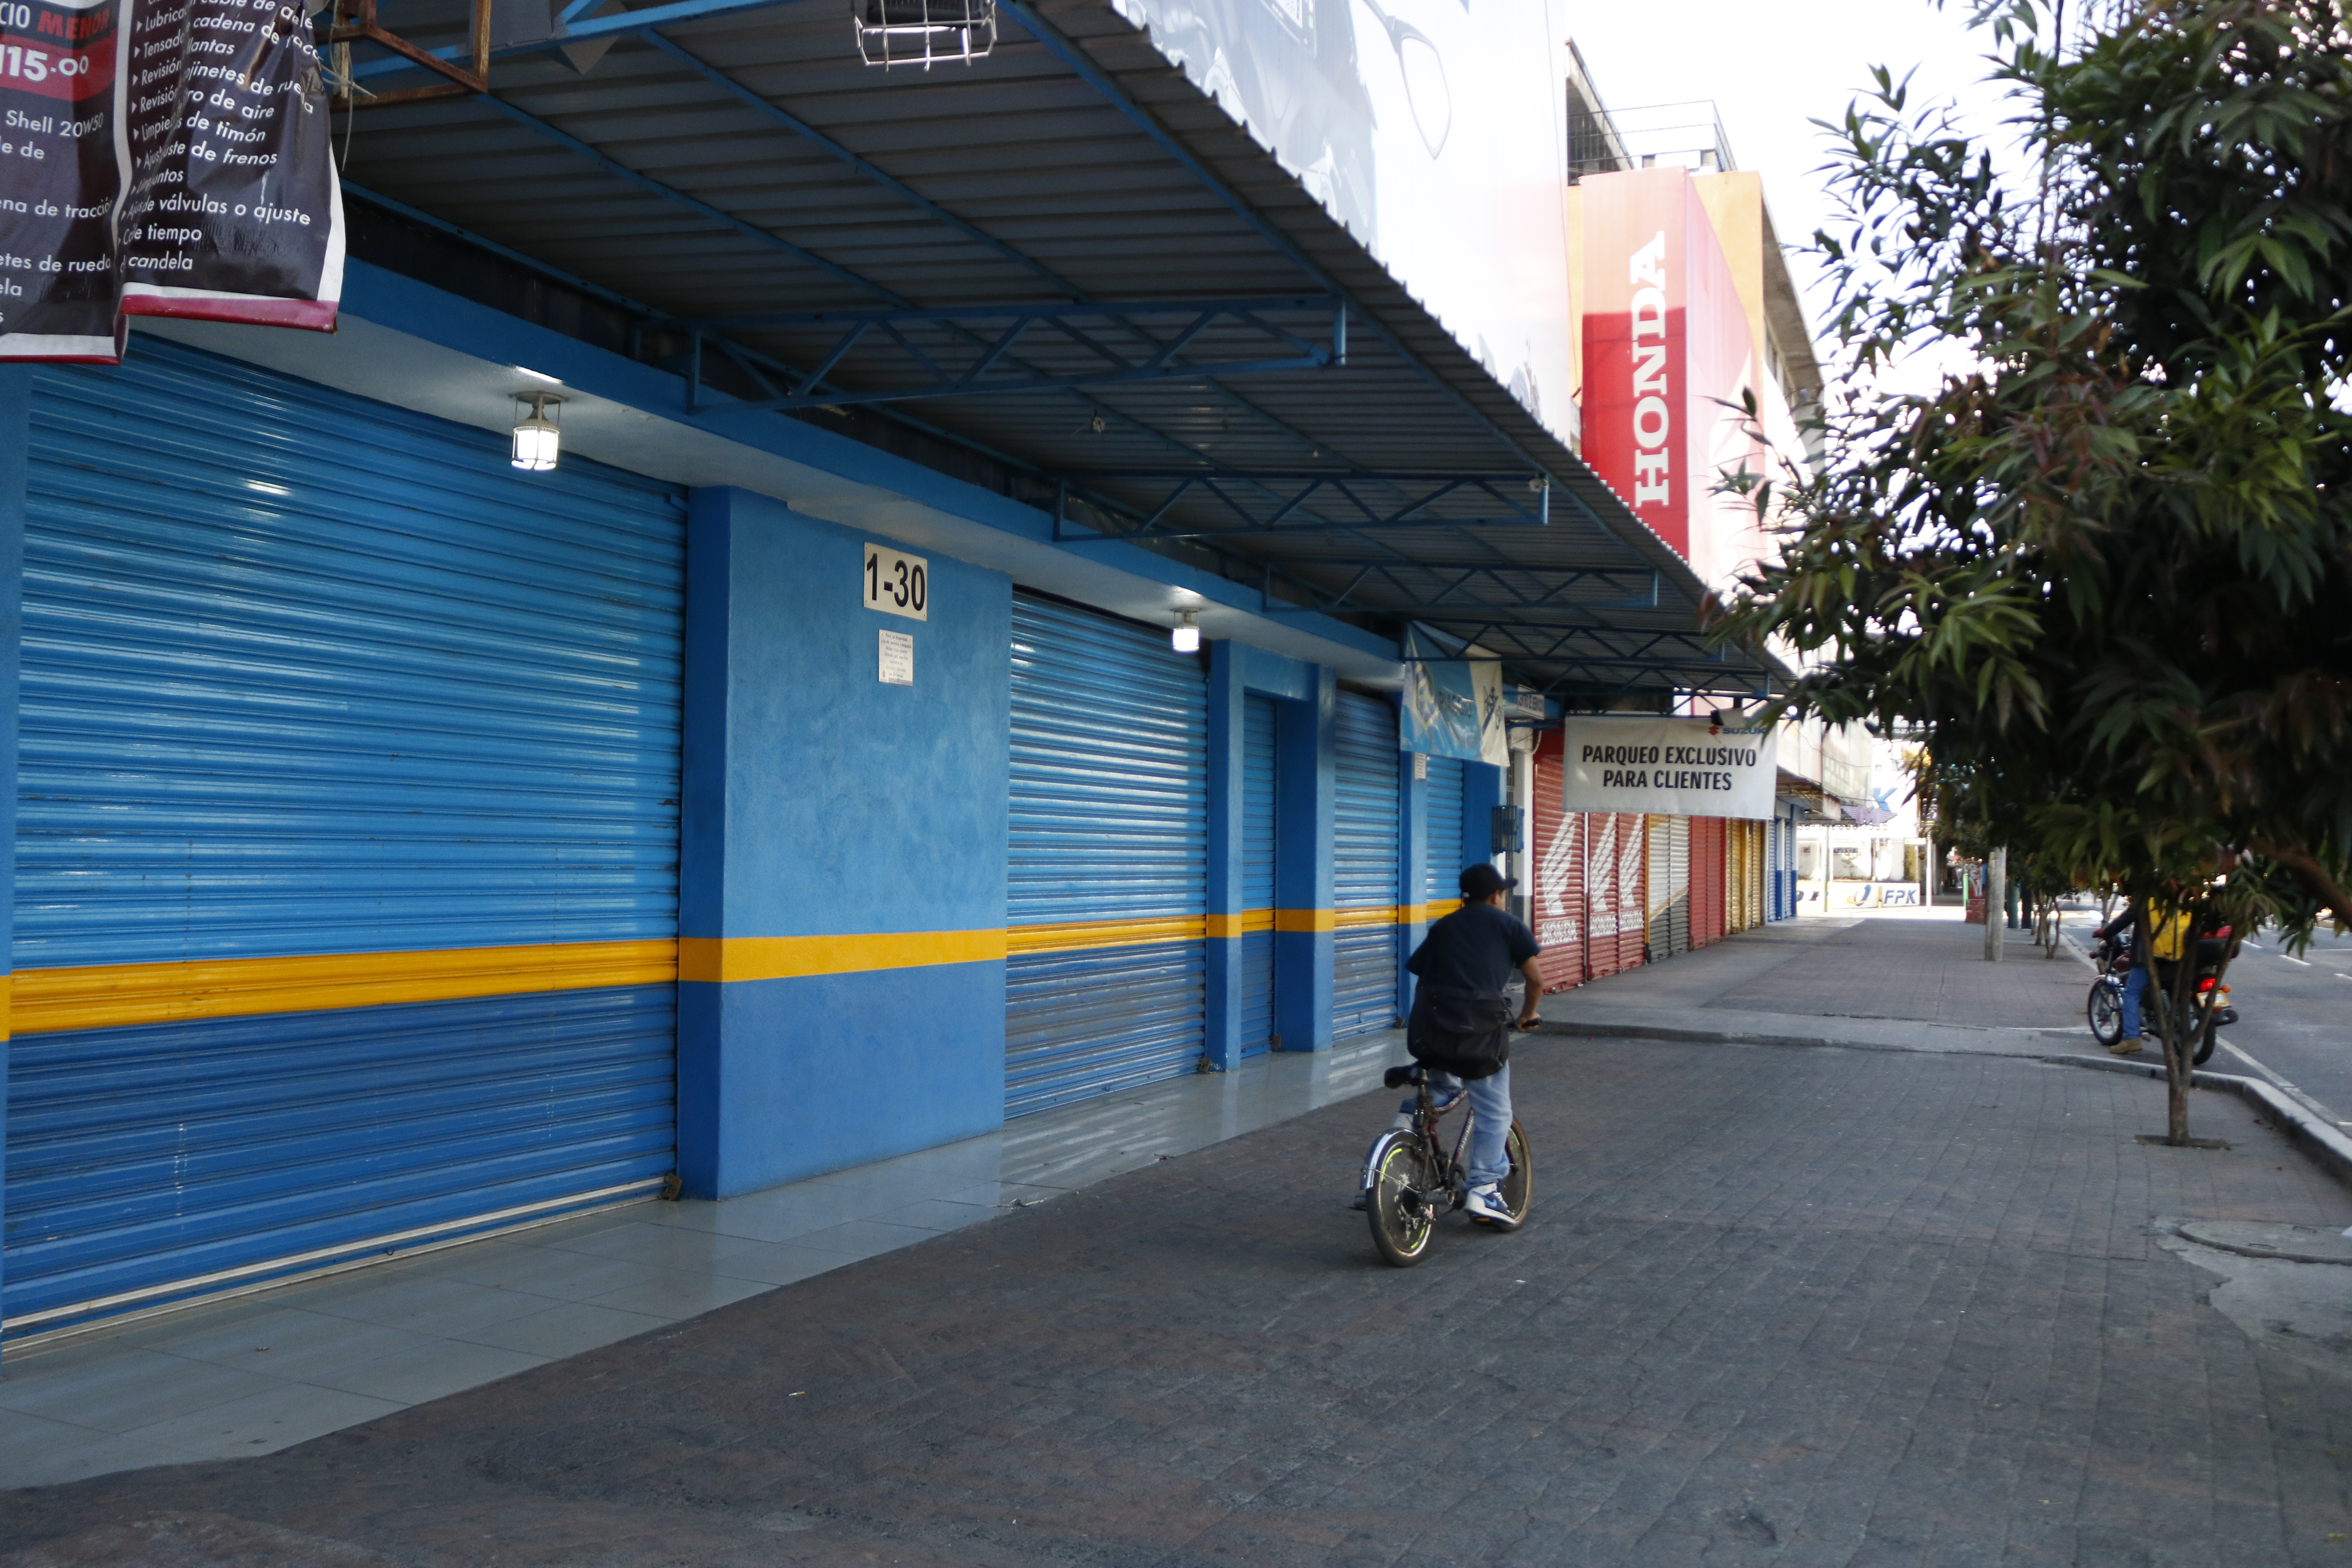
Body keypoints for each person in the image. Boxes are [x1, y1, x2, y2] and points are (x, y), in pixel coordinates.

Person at [1394, 862, 1544, 1229]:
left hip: (1431, 1033)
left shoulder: (1444, 926)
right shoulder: (1509, 925)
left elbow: (1419, 969)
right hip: (1479, 1036)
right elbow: (1535, 980)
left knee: (1439, 1087)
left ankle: (1393, 1165)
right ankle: (1484, 1190)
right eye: (1503, 893)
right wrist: (1528, 1014)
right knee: (1494, 1109)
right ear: (1496, 895)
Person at [2094, 893, 2192, 1055]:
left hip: (2150, 957)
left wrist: (2106, 932)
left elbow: (2127, 917)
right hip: (2180, 957)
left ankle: (2131, 1038)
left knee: (2132, 993)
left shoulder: (2147, 896)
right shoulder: (2186, 895)